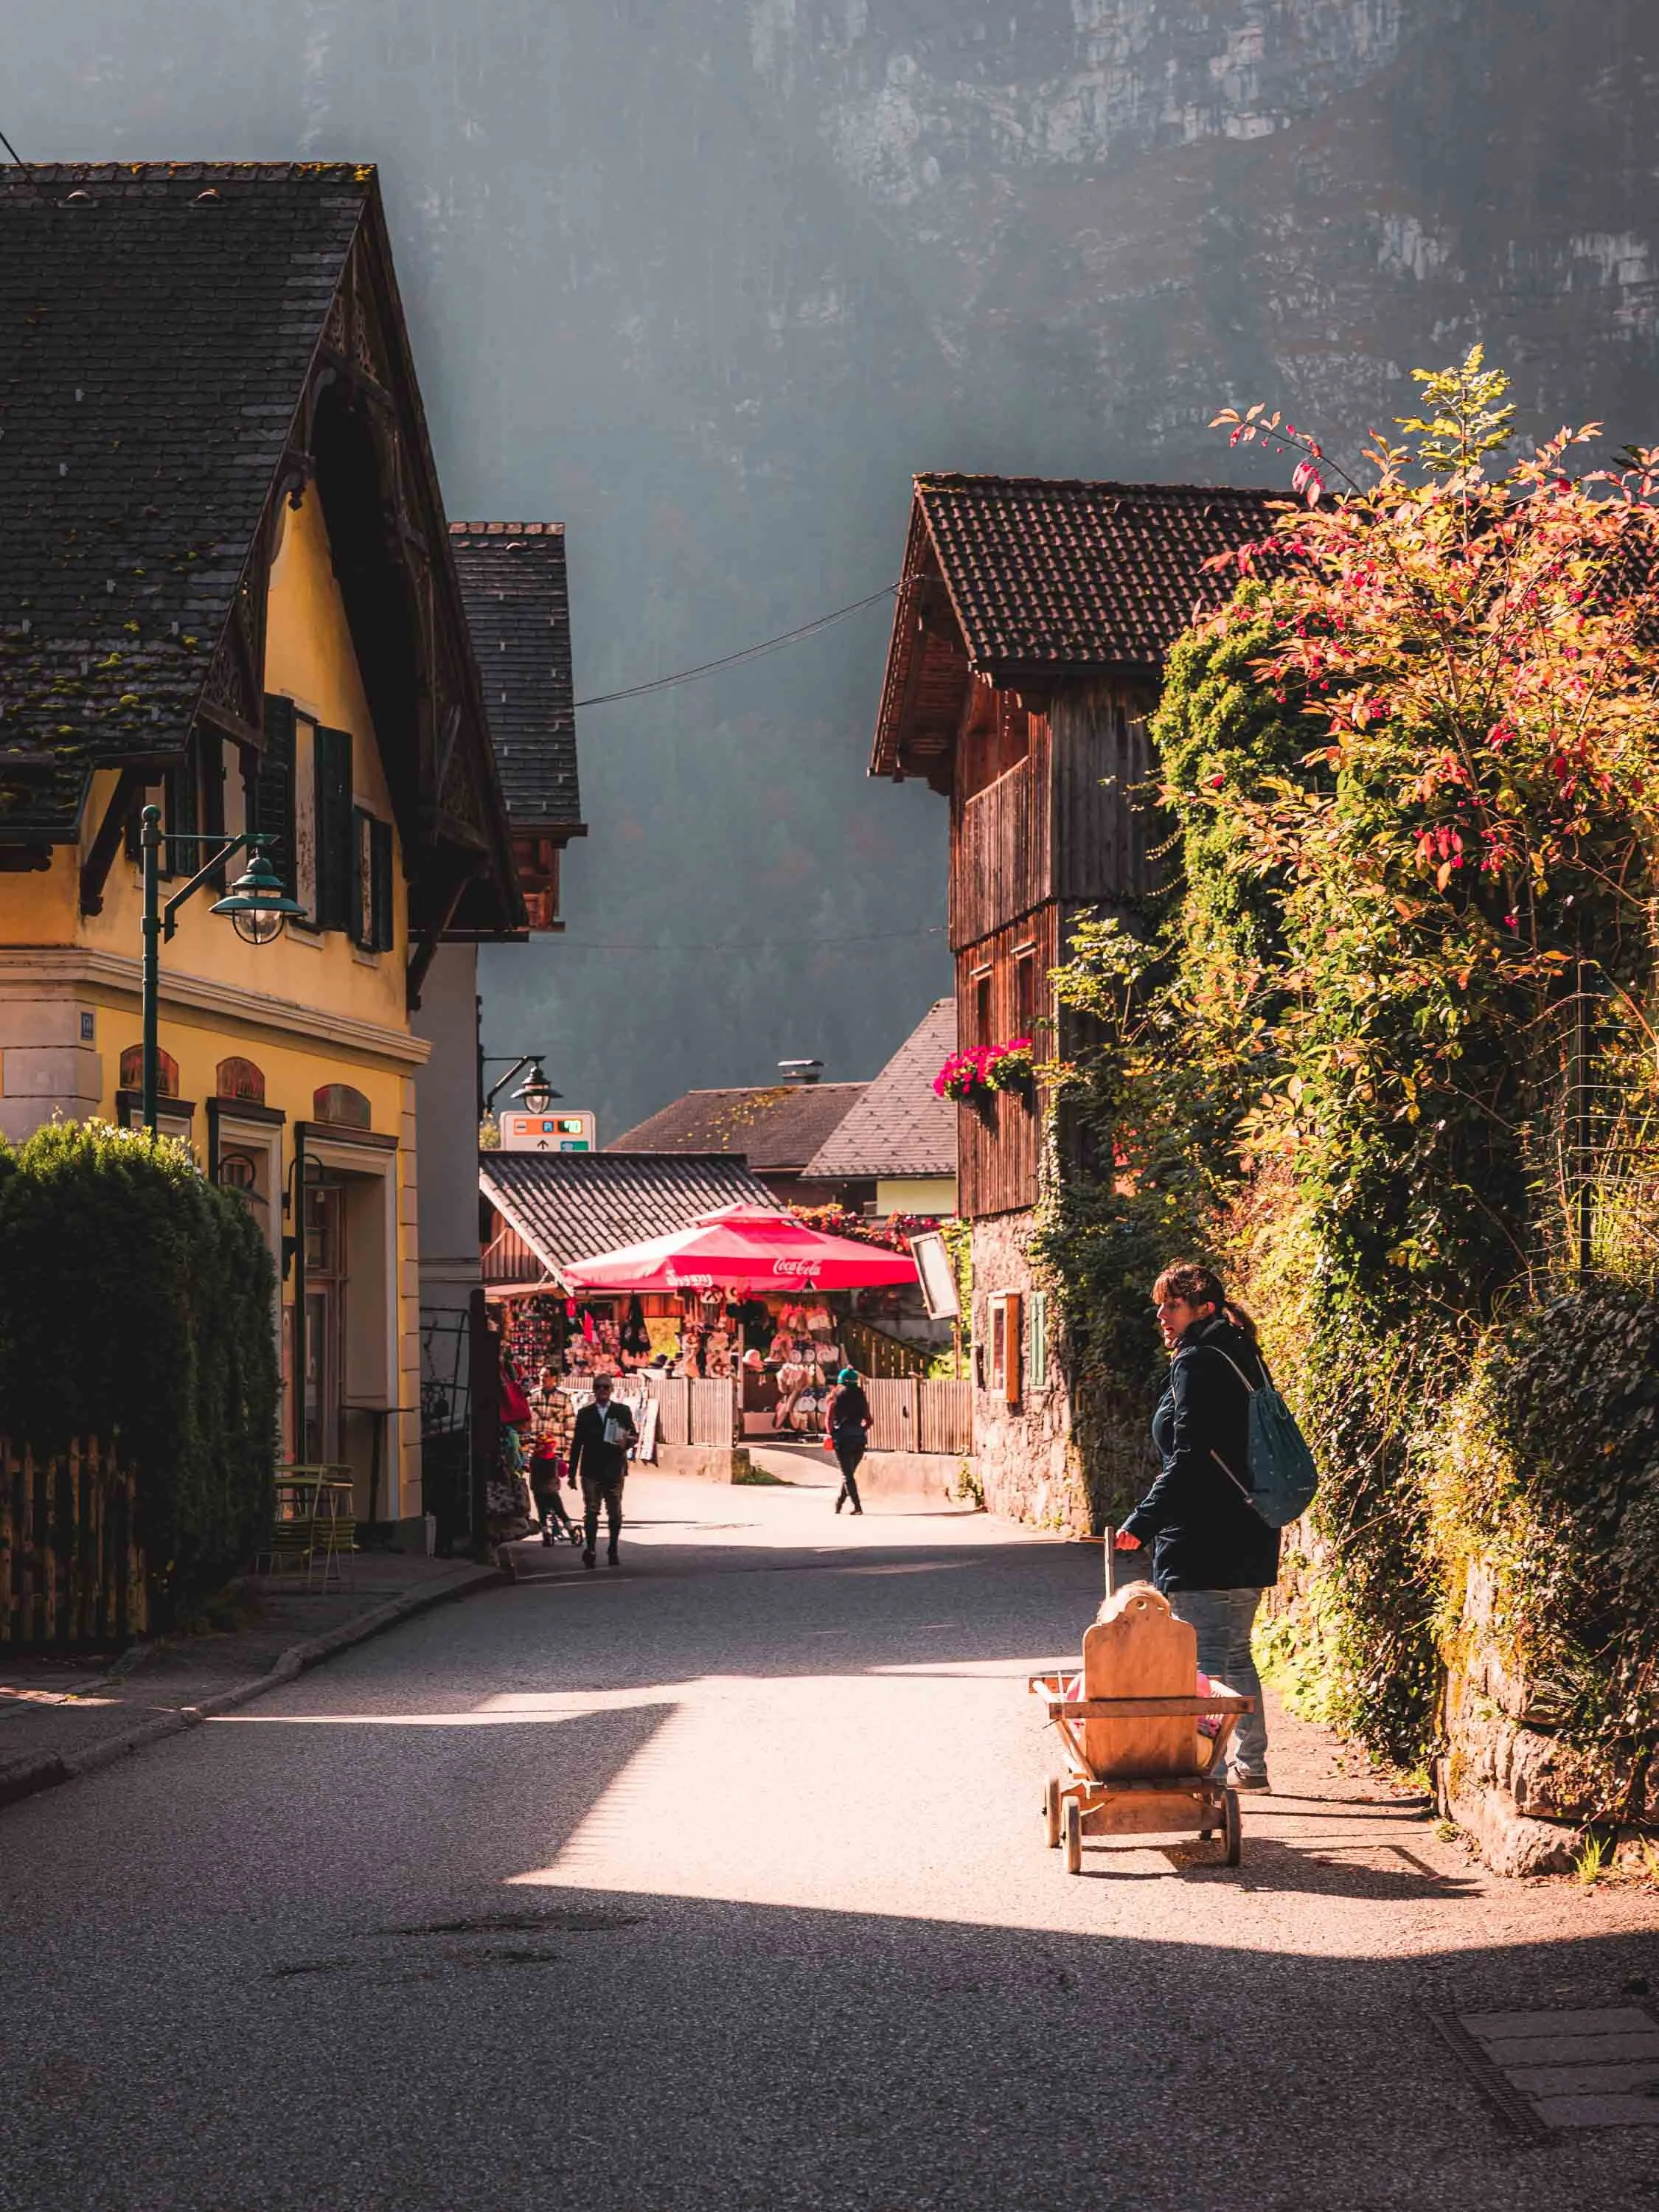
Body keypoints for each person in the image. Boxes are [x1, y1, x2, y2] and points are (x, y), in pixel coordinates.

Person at [1113, 1262, 1279, 1791]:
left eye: (1173, 1306)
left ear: (1203, 1308)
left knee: (1203, 1660)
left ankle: (1205, 1772)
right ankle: (1250, 1764)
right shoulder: (1242, 1351)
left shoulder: (1197, 1362)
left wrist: (1143, 1520)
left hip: (1205, 1537)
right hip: (1253, 1527)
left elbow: (1188, 1458)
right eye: (1160, 1306)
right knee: (1235, 1652)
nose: (1162, 1316)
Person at [568, 1374, 637, 1569]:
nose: (602, 1390)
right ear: (593, 1390)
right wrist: (572, 1473)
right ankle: (590, 1549)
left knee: (615, 1512)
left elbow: (633, 1434)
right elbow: (577, 1444)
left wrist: (627, 1442)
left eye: (606, 1387)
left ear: (611, 1390)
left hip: (614, 1468)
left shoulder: (622, 1411)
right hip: (591, 1469)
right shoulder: (585, 1413)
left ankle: (613, 1548)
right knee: (591, 1511)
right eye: (598, 1387)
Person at [824, 1366, 871, 1517]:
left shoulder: (835, 1397)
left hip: (842, 1440)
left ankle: (857, 1507)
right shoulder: (861, 1397)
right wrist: (860, 1430)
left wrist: (832, 1434)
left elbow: (828, 1420)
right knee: (849, 1474)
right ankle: (839, 1503)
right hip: (859, 1440)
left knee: (848, 1475)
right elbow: (869, 1420)